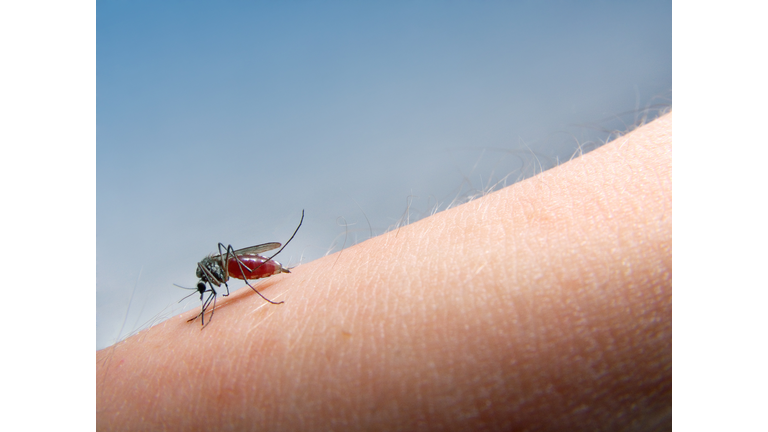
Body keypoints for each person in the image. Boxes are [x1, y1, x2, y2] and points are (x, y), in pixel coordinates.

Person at [97, 112, 672, 431]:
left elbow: (220, 270)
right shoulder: (209, 277)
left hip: (245, 263)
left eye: (205, 292)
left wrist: (249, 285)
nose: (206, 295)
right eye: (207, 293)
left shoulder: (217, 273)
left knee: (233, 261)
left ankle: (272, 272)